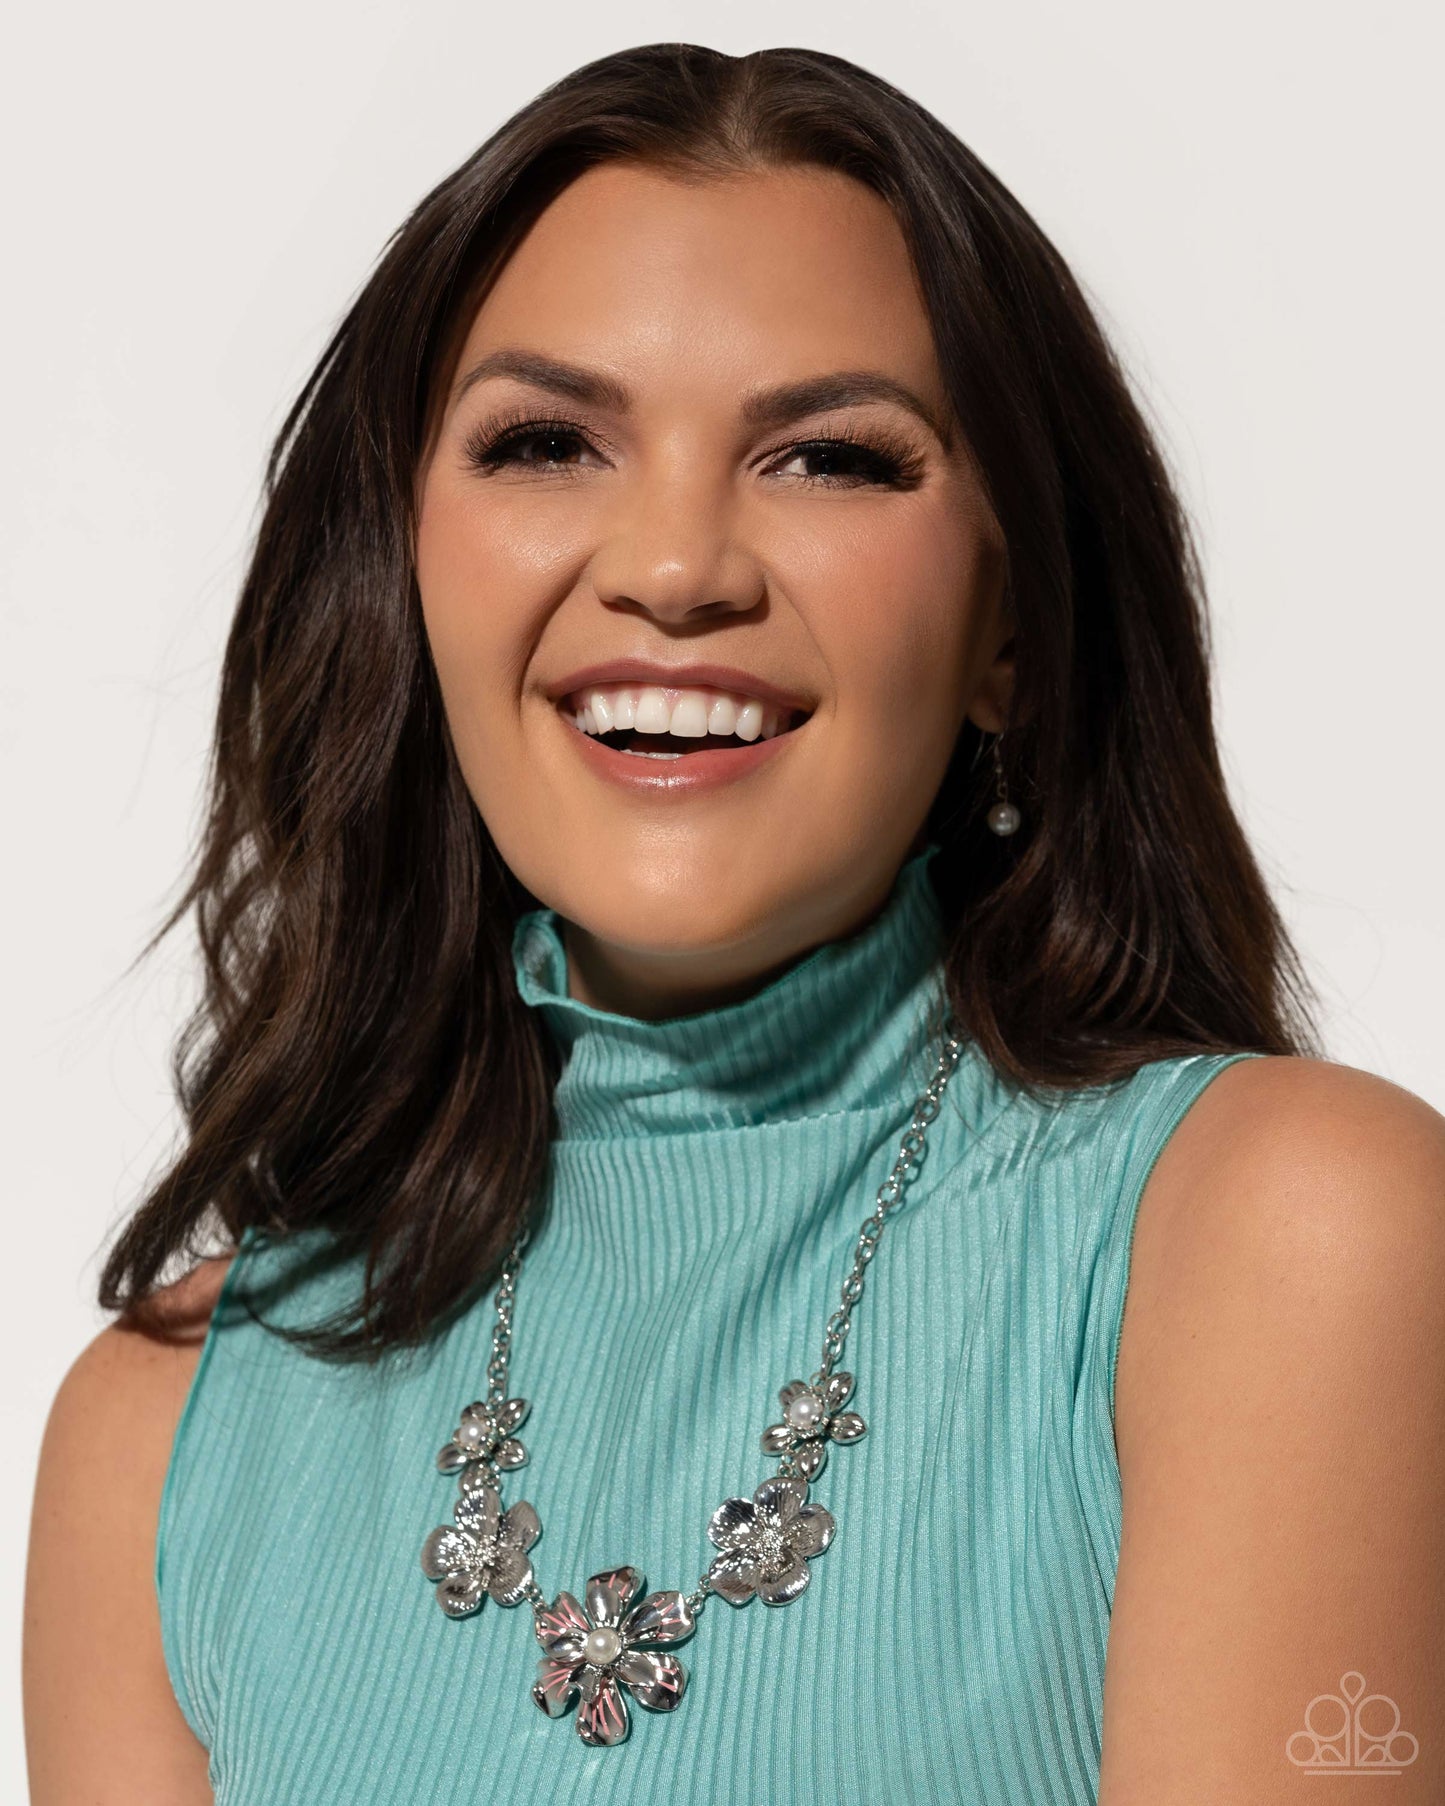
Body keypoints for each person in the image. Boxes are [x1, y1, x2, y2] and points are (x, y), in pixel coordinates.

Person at [23, 41, 1444, 1806]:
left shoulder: (1279, 1244)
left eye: (829, 458)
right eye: (545, 443)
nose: (676, 566)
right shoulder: (162, 1433)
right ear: (407, 574)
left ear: (1010, 626)